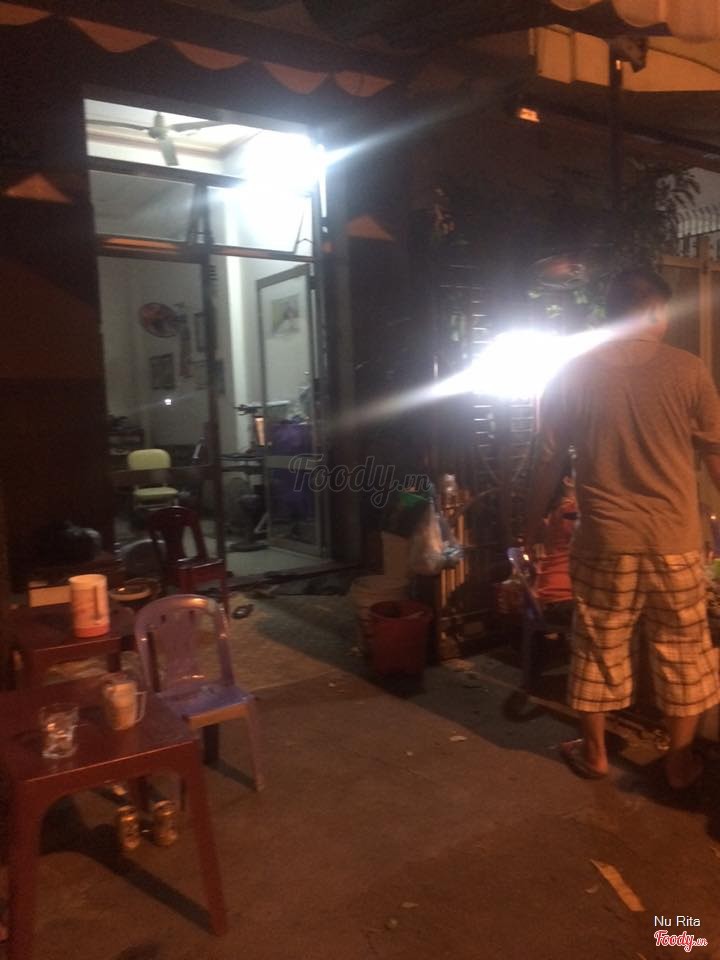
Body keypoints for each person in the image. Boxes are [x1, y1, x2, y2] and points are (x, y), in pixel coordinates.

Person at [524, 267, 720, 789]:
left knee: (597, 647)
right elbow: (716, 459)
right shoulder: (690, 370)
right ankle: (678, 764)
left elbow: (547, 462)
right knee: (683, 651)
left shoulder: (573, 372)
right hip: (674, 541)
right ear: (656, 310)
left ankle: (595, 755)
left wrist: (529, 525)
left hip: (604, 543)